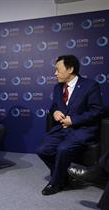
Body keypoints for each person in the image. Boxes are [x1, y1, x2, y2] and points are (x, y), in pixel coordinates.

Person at [36, 55, 103, 196]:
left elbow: (97, 111)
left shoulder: (90, 85)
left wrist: (74, 120)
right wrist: (55, 112)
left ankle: (56, 183)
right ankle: (65, 176)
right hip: (62, 129)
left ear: (70, 69)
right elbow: (54, 106)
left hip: (82, 129)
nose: (55, 73)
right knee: (42, 150)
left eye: (58, 70)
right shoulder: (57, 88)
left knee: (63, 149)